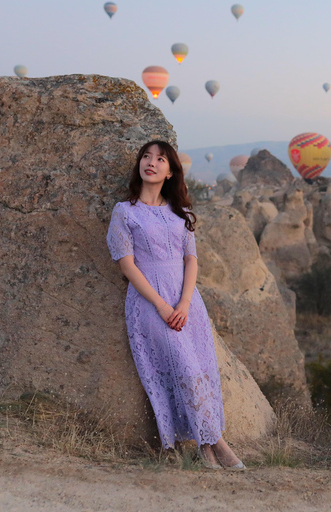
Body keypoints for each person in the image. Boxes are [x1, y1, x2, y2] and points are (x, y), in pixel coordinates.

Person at [106, 140, 244, 470]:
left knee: (199, 370)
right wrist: (162, 306)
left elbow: (191, 260)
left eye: (160, 159)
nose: (151, 163)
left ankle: (205, 450)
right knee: (184, 368)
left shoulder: (180, 214)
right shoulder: (125, 212)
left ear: (170, 172)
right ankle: (219, 444)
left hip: (187, 301)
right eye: (146, 157)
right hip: (149, 302)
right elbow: (127, 265)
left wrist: (182, 302)